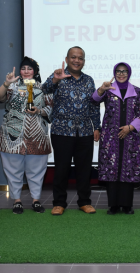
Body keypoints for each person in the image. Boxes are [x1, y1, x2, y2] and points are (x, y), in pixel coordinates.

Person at [41, 46, 101, 216]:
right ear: (67, 59)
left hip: (84, 131)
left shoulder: (89, 80)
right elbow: (44, 90)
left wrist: (97, 126)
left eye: (80, 58)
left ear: (84, 61)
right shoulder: (59, 76)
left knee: (84, 169)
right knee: (61, 168)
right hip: (61, 131)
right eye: (73, 57)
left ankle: (84, 202)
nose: (77, 60)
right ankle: (59, 203)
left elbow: (94, 105)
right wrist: (55, 79)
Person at [0, 57, 52, 214]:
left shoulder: (43, 88)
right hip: (12, 135)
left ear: (35, 71)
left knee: (37, 170)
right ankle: (17, 201)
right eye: (23, 68)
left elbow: (50, 109)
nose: (26, 71)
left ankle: (36, 200)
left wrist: (39, 111)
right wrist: (6, 83)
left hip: (37, 135)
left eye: (30, 68)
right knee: (13, 169)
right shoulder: (11, 86)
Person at [92, 63, 140, 215]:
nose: (121, 74)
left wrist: (131, 127)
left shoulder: (136, 91)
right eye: (118, 71)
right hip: (110, 138)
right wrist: (102, 88)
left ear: (129, 73)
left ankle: (127, 205)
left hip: (130, 137)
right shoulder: (108, 90)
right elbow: (94, 100)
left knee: (128, 169)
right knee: (111, 169)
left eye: (124, 71)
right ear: (114, 73)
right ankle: (113, 205)